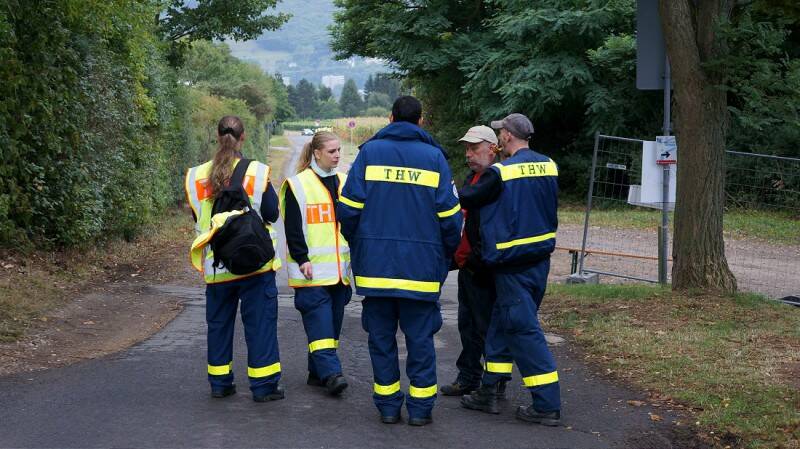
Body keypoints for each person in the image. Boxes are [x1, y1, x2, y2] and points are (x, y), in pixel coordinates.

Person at [337, 96, 462, 426]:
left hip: (375, 271)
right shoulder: (435, 157)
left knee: (380, 341)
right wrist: (445, 255)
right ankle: (420, 410)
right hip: (421, 270)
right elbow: (450, 218)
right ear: (421, 122)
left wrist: (361, 244)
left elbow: (348, 210)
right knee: (421, 342)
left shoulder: (369, 153)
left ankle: (388, 407)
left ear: (390, 118)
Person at [459, 113, 562, 426]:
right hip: (538, 261)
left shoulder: (500, 173)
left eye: (500, 132)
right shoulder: (549, 164)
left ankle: (547, 404)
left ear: (505, 137)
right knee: (502, 324)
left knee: (523, 330)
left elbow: (466, 198)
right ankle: (489, 390)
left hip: (511, 264)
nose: (500, 137)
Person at [185, 115, 284, 402]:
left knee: (218, 325)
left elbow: (197, 217)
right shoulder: (257, 171)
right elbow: (272, 214)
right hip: (255, 264)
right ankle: (264, 387)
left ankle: (220, 383)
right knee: (260, 324)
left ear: (217, 137)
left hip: (217, 266)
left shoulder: (195, 176)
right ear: (243, 137)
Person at [279, 131, 352, 396]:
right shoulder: (297, 184)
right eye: (332, 151)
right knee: (321, 326)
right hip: (310, 272)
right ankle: (332, 375)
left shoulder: (345, 182)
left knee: (331, 329)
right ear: (316, 153)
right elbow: (293, 227)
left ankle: (315, 372)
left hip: (339, 273)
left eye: (339, 150)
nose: (337, 155)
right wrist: (302, 258)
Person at [440, 125, 506, 397]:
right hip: (469, 265)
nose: (468, 154)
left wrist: (476, 261)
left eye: (474, 148)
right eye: (466, 148)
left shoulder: (496, 179)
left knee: (485, 327)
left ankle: (492, 384)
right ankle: (469, 376)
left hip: (484, 267)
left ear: (493, 149)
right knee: (468, 325)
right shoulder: (473, 178)